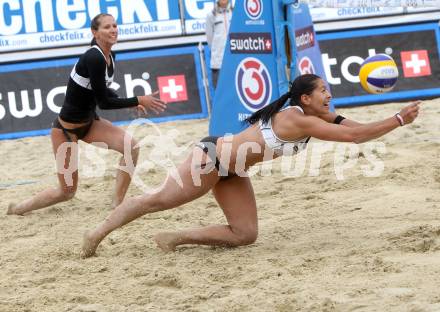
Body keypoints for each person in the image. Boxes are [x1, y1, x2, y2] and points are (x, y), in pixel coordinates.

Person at [81, 74, 420, 258]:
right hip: (212, 158)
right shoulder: (299, 119)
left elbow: (351, 126)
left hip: (234, 170)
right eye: (322, 92)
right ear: (305, 99)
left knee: (245, 234)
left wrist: (390, 120)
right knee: (156, 200)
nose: (328, 96)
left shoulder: (317, 113)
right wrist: (398, 120)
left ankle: (174, 238)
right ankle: (95, 234)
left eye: (328, 91)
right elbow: (357, 138)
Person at [6, 14, 167, 216]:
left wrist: (129, 104)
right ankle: (18, 208)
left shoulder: (110, 57)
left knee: (131, 147)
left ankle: (117, 205)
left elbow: (102, 90)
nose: (113, 29)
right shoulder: (94, 57)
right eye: (107, 27)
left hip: (89, 124)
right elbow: (104, 103)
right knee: (66, 192)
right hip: (66, 130)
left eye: (115, 25)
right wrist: (138, 100)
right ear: (95, 32)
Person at [205, 0, 233, 88]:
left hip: (234, 61)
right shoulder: (211, 15)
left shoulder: (234, 13)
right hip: (218, 63)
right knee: (219, 92)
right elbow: (210, 39)